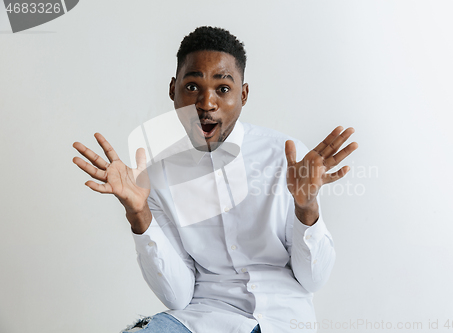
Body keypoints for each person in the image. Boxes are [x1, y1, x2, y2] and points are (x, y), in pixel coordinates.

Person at [72, 26, 358, 333]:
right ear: (173, 90)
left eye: (223, 88)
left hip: (283, 318)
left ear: (243, 94)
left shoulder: (286, 157)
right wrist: (139, 214)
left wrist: (307, 208)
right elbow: (177, 296)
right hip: (202, 319)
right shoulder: (156, 178)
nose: (207, 103)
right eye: (193, 87)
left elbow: (314, 279)